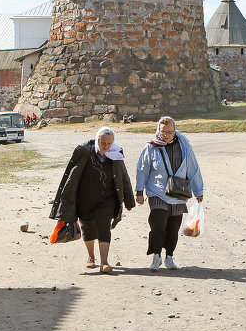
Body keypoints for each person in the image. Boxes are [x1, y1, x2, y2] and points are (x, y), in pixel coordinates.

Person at [49, 126, 135, 273]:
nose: (106, 146)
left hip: (107, 200)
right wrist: (66, 201)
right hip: (85, 199)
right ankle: (91, 257)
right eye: (103, 143)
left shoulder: (116, 154)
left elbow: (124, 177)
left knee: (104, 227)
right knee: (87, 228)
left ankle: (105, 262)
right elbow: (71, 176)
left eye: (109, 143)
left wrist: (129, 200)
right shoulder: (85, 152)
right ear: (97, 140)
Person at [135, 116, 204, 271]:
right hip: (157, 191)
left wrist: (198, 190)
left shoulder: (184, 146)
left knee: (173, 227)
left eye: (170, 132)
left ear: (175, 131)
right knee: (157, 222)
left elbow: (193, 168)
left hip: (178, 192)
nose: (166, 135)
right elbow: (142, 169)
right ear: (158, 131)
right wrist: (139, 191)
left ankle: (169, 257)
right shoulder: (151, 147)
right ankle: (156, 256)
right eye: (163, 131)